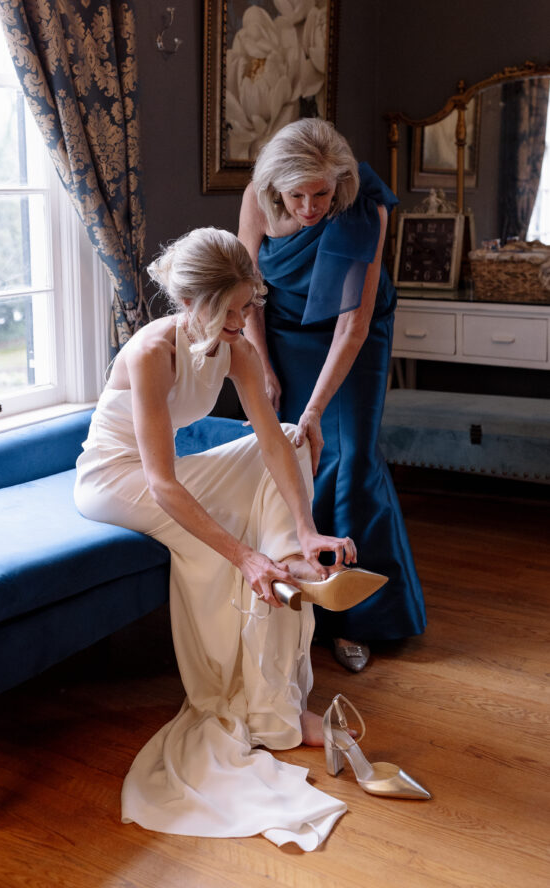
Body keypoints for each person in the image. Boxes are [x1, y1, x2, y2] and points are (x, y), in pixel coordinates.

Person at [73, 227, 382, 850]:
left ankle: (296, 561)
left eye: (248, 305)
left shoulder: (234, 345)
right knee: (228, 555)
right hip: (116, 481)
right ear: (194, 304)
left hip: (163, 474)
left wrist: (305, 526)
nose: (246, 320)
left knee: (295, 435)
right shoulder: (151, 352)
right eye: (234, 309)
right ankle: (271, 690)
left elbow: (270, 441)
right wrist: (241, 554)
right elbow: (160, 483)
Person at [238, 118, 427, 672]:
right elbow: (248, 293)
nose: (310, 206)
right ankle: (305, 596)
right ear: (276, 186)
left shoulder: (366, 208)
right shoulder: (256, 199)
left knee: (349, 458)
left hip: (351, 343)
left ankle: (358, 617)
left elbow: (353, 326)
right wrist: (264, 369)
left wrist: (315, 408)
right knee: (294, 455)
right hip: (279, 334)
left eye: (321, 193)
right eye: (297, 195)